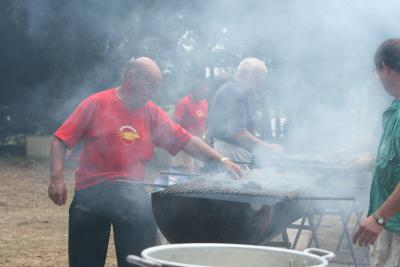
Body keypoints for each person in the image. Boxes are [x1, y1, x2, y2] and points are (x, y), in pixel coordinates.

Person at [48, 57, 242, 267]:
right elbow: (61, 139)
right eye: (149, 86)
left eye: (155, 88)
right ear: (130, 77)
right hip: (91, 195)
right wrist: (56, 178)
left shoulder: (152, 112)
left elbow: (186, 140)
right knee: (85, 262)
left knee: (139, 263)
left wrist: (220, 159)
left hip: (131, 195)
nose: (152, 93)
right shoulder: (96, 103)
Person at [352, 39, 400, 266]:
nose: (376, 77)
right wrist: (373, 161)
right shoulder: (395, 108)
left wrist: (379, 218)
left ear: (386, 68)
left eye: (377, 70)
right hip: (389, 221)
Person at [207, 57, 284, 168]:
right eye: (258, 80)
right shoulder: (234, 91)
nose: (259, 85)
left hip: (227, 149)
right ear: (247, 75)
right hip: (229, 150)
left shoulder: (231, 89)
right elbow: (238, 133)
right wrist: (267, 146)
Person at [172, 80, 208, 171]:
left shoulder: (204, 103)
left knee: (198, 170)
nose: (204, 94)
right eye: (202, 91)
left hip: (200, 142)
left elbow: (204, 121)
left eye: (205, 91)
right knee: (187, 171)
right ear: (194, 90)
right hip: (186, 143)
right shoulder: (183, 103)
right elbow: (174, 123)